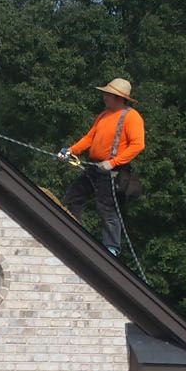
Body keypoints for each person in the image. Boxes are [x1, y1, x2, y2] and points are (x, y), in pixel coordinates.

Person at [60, 78, 145, 256]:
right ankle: (74, 231)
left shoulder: (131, 117)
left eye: (108, 94)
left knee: (107, 208)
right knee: (73, 196)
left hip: (113, 171)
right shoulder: (104, 115)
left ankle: (111, 248)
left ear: (118, 97)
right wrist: (71, 150)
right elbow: (89, 138)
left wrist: (113, 163)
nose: (104, 97)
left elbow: (138, 145)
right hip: (96, 167)